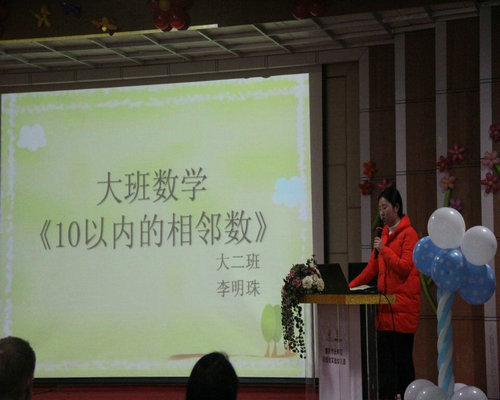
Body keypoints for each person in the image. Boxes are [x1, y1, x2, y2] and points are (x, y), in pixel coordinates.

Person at [349, 187, 421, 400]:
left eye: (384, 207)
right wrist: (348, 286)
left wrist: (384, 249)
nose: (381, 212)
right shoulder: (383, 234)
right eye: (379, 208)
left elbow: (404, 267)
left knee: (403, 362)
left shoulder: (409, 234)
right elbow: (371, 269)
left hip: (403, 309)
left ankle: (407, 396)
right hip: (385, 311)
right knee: (386, 366)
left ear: (396, 207)